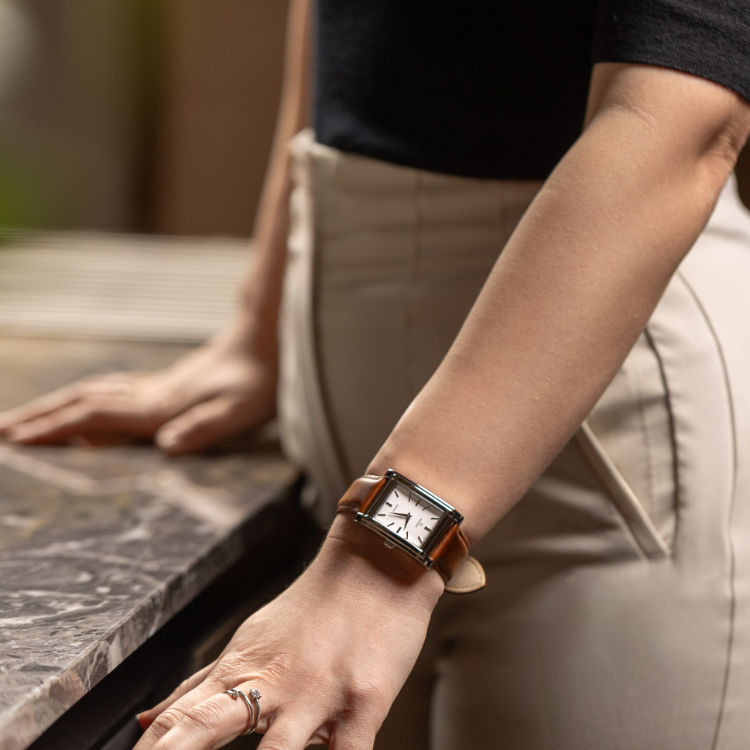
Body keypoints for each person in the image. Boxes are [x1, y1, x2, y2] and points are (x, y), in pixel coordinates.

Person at [2, 0, 750, 747]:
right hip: (370, 463)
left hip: (595, 443)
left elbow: (680, 123)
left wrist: (380, 555)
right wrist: (263, 326)